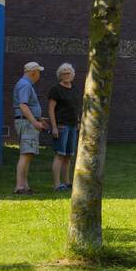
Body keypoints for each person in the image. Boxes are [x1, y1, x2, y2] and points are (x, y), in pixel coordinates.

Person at [13, 62, 48, 195]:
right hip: (27, 123)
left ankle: (25, 186)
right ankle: (19, 187)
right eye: (38, 72)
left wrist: (39, 118)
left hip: (27, 122)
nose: (39, 75)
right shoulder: (25, 85)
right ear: (34, 72)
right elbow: (23, 105)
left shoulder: (25, 84)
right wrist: (34, 122)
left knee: (28, 154)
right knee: (25, 154)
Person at [48, 63, 80, 191]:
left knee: (68, 155)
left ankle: (67, 182)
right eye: (64, 73)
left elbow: (76, 107)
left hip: (73, 126)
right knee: (60, 154)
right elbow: (51, 109)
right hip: (61, 126)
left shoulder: (75, 89)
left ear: (73, 74)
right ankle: (57, 184)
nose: (67, 75)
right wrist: (54, 127)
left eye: (69, 73)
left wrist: (78, 122)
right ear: (60, 76)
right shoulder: (55, 90)